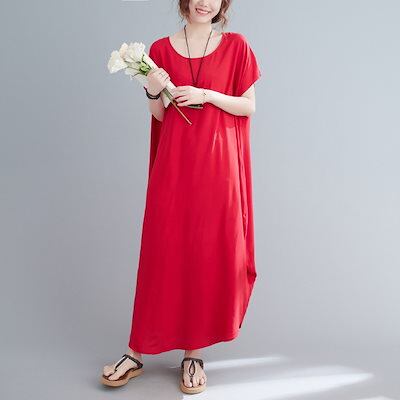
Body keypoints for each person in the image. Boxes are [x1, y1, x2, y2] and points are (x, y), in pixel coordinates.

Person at [101, 0, 261, 394]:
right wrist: (152, 89)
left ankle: (193, 354)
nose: (204, 2)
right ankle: (136, 350)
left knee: (204, 253)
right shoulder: (159, 49)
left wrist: (206, 94)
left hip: (218, 168)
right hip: (174, 165)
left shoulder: (236, 46)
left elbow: (248, 106)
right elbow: (160, 115)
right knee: (162, 250)